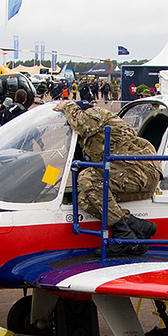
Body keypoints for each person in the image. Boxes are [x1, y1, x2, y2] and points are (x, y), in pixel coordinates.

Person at [56, 101, 160, 256]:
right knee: (84, 199)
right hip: (126, 172)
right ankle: (136, 226)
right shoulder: (88, 138)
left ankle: (123, 234)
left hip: (141, 171)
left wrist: (67, 106)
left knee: (88, 178)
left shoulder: (95, 114)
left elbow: (81, 121)